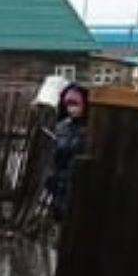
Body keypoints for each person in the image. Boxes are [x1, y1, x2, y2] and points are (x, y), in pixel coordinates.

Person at [44, 82, 90, 223]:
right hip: (60, 186)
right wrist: (51, 177)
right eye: (69, 105)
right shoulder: (62, 127)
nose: (72, 109)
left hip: (80, 187)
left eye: (75, 104)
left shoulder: (91, 128)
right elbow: (53, 156)